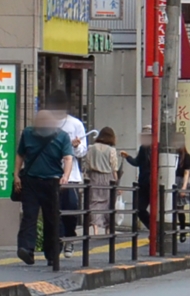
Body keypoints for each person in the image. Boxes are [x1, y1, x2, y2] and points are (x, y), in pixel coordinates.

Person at [13, 110, 73, 269]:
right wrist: (16, 175)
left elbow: (68, 157)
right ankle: (26, 249)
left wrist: (65, 176)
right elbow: (20, 155)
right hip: (31, 180)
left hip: (53, 182)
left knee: (52, 218)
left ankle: (52, 254)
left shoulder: (62, 136)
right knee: (30, 216)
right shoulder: (28, 133)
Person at [52, 102, 88, 252]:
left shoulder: (75, 124)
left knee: (71, 208)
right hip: (51, 173)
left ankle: (69, 238)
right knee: (54, 210)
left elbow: (82, 152)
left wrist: (75, 146)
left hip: (71, 175)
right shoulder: (47, 124)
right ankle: (57, 243)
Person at [82, 127, 121, 235]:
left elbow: (87, 164)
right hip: (108, 178)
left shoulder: (91, 148)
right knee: (109, 203)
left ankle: (95, 227)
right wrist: (116, 183)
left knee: (94, 202)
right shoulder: (111, 150)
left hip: (94, 177)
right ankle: (108, 228)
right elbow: (114, 168)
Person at [122, 133, 154, 233]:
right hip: (147, 182)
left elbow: (137, 162)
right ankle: (154, 229)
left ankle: (154, 229)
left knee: (141, 208)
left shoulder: (155, 147)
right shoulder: (144, 148)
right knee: (140, 208)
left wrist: (128, 157)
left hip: (146, 181)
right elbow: (137, 162)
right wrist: (127, 157)